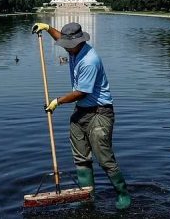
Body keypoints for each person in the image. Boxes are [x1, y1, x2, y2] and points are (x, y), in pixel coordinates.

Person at [31, 21, 131, 210]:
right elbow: (61, 37)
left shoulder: (89, 60)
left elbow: (81, 92)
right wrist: (47, 28)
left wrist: (57, 101)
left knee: (104, 158)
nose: (66, 49)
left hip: (99, 112)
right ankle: (87, 195)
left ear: (79, 42)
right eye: (65, 45)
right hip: (81, 111)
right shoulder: (74, 48)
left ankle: (123, 193)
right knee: (81, 158)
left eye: (69, 46)